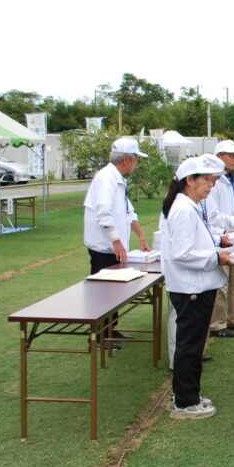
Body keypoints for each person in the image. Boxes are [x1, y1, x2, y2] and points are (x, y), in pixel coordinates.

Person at [160, 154, 234, 419]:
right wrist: (216, 257)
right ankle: (185, 401)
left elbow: (195, 240)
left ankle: (186, 394)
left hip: (196, 286)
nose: (211, 186)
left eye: (213, 181)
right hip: (191, 287)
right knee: (190, 346)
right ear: (189, 180)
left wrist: (218, 241)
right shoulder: (183, 209)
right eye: (206, 180)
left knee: (192, 344)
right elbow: (182, 253)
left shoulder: (189, 206)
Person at [83, 137, 150, 345]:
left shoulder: (119, 179)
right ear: (127, 159)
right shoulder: (106, 178)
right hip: (103, 247)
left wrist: (140, 235)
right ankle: (100, 335)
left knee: (114, 291)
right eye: (135, 159)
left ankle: (111, 328)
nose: (136, 163)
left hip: (114, 247)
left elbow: (129, 211)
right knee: (103, 292)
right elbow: (103, 213)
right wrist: (116, 241)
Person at [206, 140, 234, 339]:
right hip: (222, 236)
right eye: (231, 155)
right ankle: (217, 323)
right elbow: (213, 214)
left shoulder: (230, 179)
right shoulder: (214, 182)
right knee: (222, 282)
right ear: (219, 157)